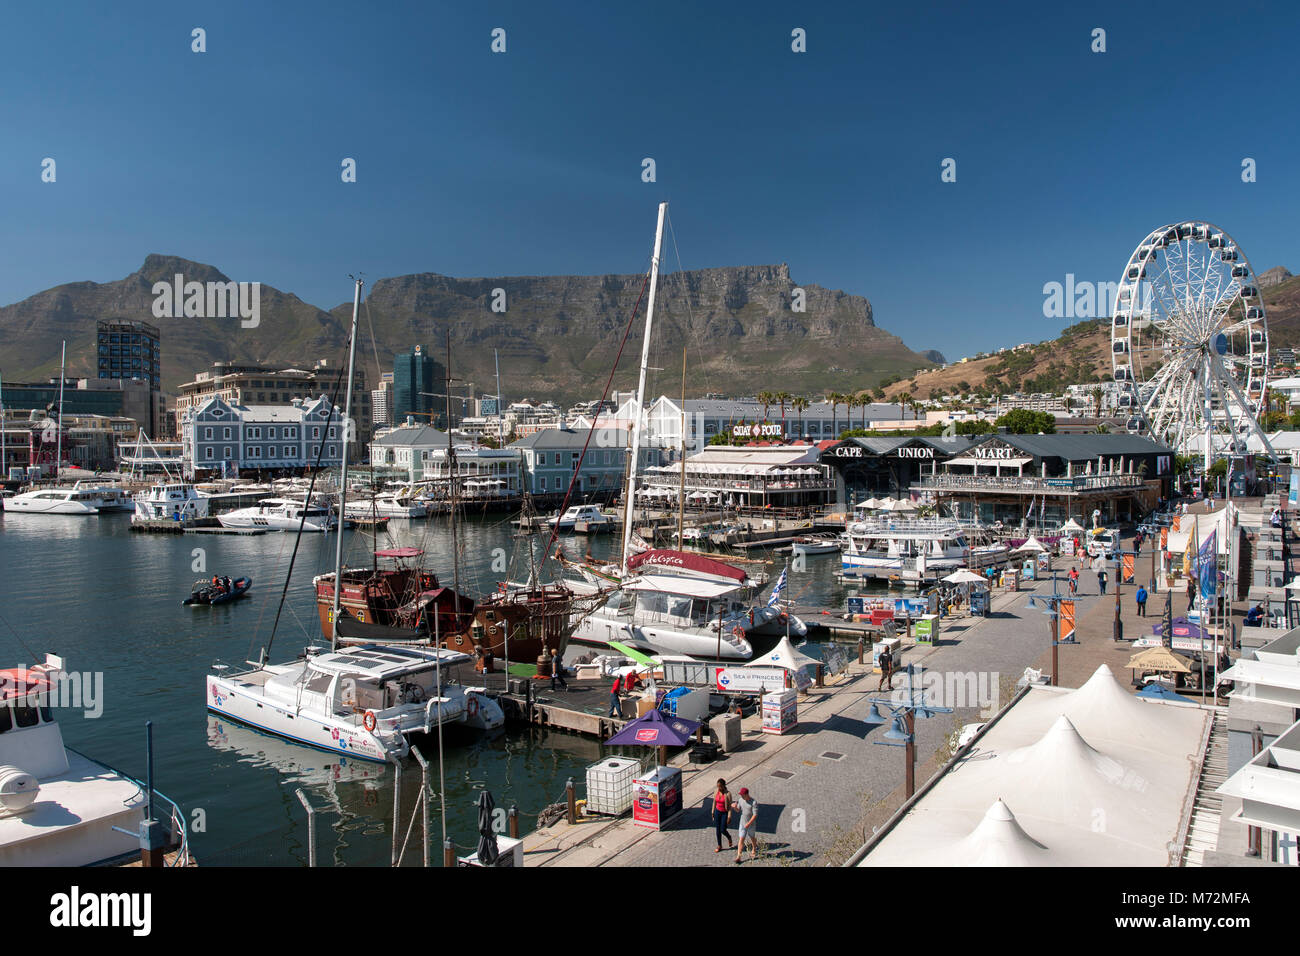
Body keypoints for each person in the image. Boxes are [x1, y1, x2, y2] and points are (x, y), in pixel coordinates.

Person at [734, 787, 759, 863]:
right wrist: (735, 807)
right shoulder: (740, 800)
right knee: (741, 839)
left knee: (752, 837)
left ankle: (754, 848)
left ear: (746, 794)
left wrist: (748, 823)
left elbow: (755, 815)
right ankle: (739, 856)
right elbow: (738, 810)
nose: (741, 796)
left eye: (742, 795)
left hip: (750, 824)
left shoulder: (753, 802)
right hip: (742, 823)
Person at [712, 779, 736, 853]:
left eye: (720, 786)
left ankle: (729, 837)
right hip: (717, 812)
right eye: (718, 786)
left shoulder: (728, 794)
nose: (719, 788)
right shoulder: (716, 791)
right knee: (717, 830)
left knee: (723, 829)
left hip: (724, 813)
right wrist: (712, 812)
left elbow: (729, 807)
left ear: (723, 786)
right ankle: (719, 845)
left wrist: (729, 816)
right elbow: (714, 802)